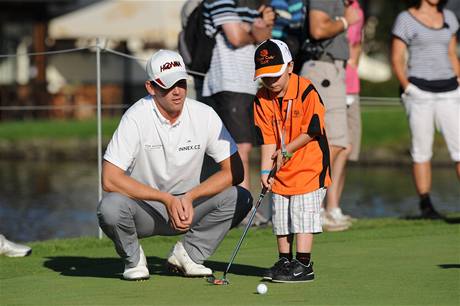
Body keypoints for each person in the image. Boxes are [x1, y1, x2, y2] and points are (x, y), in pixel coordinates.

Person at [97, 49, 253, 281]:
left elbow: (235, 171)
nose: (177, 91)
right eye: (168, 85)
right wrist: (165, 199)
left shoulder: (204, 114)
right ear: (151, 88)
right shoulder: (136, 117)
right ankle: (134, 260)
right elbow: (109, 178)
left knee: (241, 197)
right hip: (145, 208)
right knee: (109, 208)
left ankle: (188, 255)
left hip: (189, 208)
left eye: (181, 82)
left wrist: (190, 197)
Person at [253, 39, 331, 282]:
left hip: (310, 164)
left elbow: (313, 129)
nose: (271, 81)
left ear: (289, 67)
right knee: (281, 215)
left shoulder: (306, 90)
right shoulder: (261, 99)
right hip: (281, 168)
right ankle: (285, 261)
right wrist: (265, 170)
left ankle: (304, 264)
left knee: (302, 214)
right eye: (265, 76)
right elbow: (267, 138)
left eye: (275, 74)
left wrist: (286, 150)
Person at [391, 0, 460, 219]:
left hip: (450, 90)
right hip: (419, 91)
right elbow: (397, 57)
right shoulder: (405, 19)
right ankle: (426, 206)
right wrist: (408, 87)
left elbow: (451, 53)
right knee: (421, 152)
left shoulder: (449, 17)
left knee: (459, 149)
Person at [298, 0, 360, 231]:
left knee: (340, 144)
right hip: (322, 70)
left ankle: (328, 208)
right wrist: (345, 21)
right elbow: (318, 29)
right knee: (329, 144)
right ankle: (315, 209)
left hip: (333, 70)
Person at [201, 0, 275, 191]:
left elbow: (266, 36)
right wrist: (254, 31)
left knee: (245, 146)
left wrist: (249, 30)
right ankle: (244, 207)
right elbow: (235, 38)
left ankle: (243, 206)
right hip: (227, 82)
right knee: (240, 147)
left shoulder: (254, 3)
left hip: (248, 83)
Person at [327, 0, 364, 224]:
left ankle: (334, 206)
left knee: (347, 148)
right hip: (332, 80)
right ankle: (326, 206)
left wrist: (352, 67)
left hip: (351, 84)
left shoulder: (357, 7)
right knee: (335, 145)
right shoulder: (331, 6)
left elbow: (357, 43)